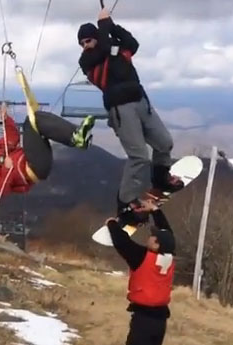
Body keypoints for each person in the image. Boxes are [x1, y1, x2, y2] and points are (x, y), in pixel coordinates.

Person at [78, 8, 181, 225]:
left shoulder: (113, 49)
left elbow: (132, 43)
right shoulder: (88, 61)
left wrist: (112, 26)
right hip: (120, 109)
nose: (85, 45)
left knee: (164, 142)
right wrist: (104, 24)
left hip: (140, 101)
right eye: (82, 43)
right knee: (139, 156)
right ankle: (126, 202)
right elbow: (105, 49)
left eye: (88, 40)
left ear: (95, 37)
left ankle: (161, 177)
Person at [105, 199, 177, 345]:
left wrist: (111, 224)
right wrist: (155, 211)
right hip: (158, 323)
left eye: (152, 236)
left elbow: (121, 242)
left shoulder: (141, 258)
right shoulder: (168, 257)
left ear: (156, 245)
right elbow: (168, 233)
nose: (150, 236)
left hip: (144, 322)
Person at [0, 103, 95, 195]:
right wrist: (6, 169)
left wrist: (5, 119)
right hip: (31, 167)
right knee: (32, 121)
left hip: (34, 161)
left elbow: (12, 137)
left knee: (37, 119)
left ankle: (77, 136)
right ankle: (75, 137)